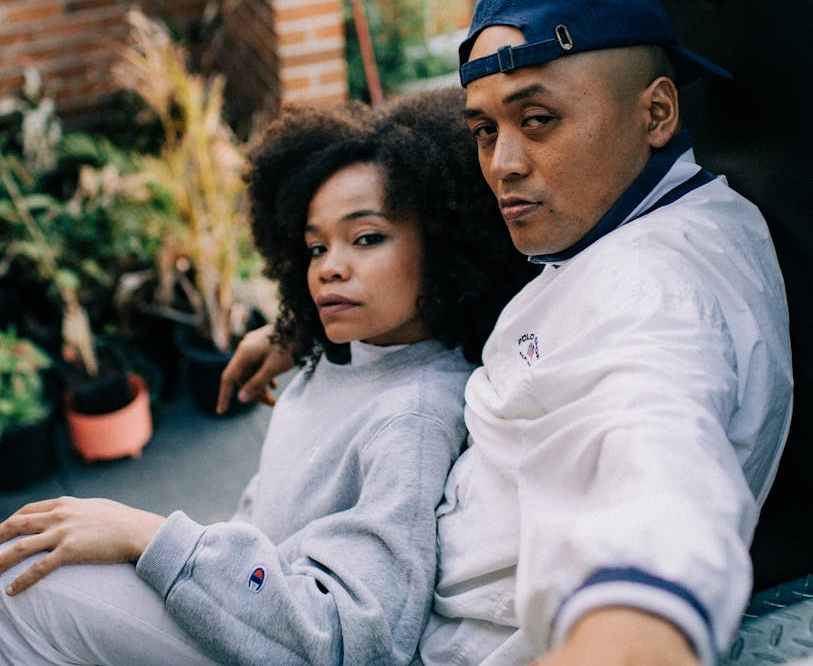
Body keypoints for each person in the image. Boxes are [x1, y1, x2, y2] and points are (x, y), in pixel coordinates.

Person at [221, 2, 794, 665]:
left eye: (538, 120)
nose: (502, 165)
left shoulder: (652, 291)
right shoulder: (623, 217)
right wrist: (306, 327)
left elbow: (658, 453)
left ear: (656, 112)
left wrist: (636, 626)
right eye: (483, 130)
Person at [0, 90, 532, 665]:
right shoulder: (336, 355)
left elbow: (356, 639)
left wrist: (149, 536)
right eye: (314, 247)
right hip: (245, 600)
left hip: (274, 630)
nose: (329, 266)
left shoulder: (414, 418)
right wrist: (297, 332)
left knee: (24, 585)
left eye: (367, 237)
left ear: (446, 243)